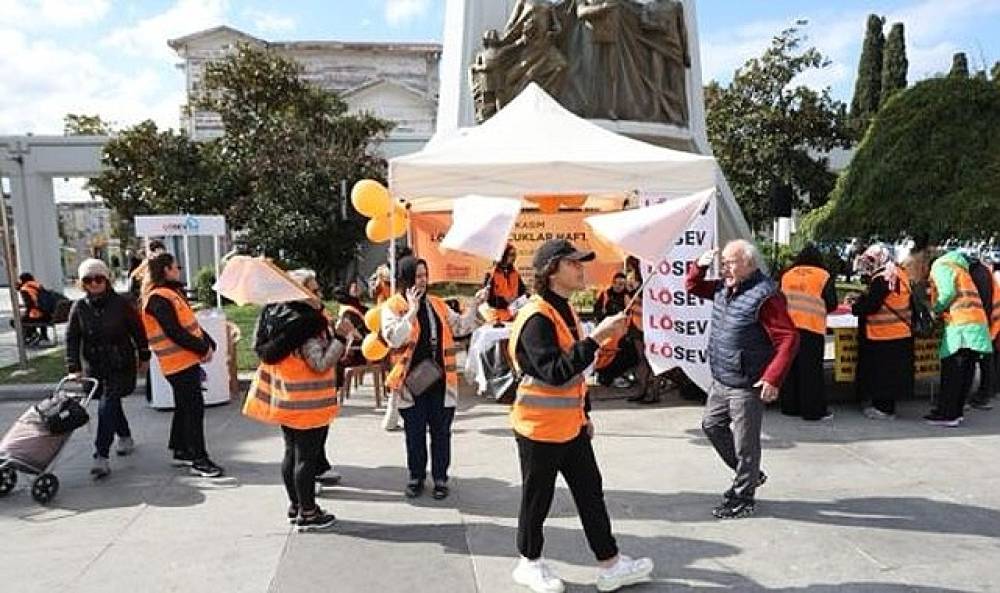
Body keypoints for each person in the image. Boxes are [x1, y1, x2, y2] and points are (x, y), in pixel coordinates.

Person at [509, 239, 653, 593]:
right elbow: (555, 371)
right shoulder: (536, 316)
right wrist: (599, 337)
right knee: (537, 497)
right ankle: (529, 563)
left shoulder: (565, 311)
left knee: (590, 491)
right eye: (574, 263)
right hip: (538, 427)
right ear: (552, 269)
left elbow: (576, 374)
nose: (582, 268)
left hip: (570, 425)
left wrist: (584, 414)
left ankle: (610, 562)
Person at [688, 240, 799, 519]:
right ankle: (750, 476)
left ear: (749, 264)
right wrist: (698, 268)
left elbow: (788, 337)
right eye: (722, 262)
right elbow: (693, 287)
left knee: (746, 444)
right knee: (712, 425)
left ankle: (742, 496)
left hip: (747, 381)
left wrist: (773, 377)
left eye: (730, 262)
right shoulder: (725, 287)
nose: (724, 267)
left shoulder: (765, 295)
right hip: (723, 377)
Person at [245, 275, 358, 531]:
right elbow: (320, 363)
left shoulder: (275, 315)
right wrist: (340, 338)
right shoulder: (306, 323)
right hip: (309, 401)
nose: (320, 293)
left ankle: (296, 505)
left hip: (287, 398)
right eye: (316, 289)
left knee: (291, 452)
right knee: (306, 457)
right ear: (302, 292)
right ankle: (308, 512)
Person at [381, 256, 486, 499]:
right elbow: (393, 338)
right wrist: (412, 312)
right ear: (406, 278)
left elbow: (460, 328)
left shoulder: (437, 304)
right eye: (417, 276)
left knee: (442, 433)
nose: (423, 280)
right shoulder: (393, 306)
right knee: (414, 433)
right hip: (411, 384)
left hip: (440, 381)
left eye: (425, 275)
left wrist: (474, 305)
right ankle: (416, 477)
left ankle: (440, 478)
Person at [141, 252, 224, 477]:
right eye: (176, 266)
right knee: (193, 409)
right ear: (166, 269)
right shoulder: (158, 298)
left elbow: (190, 325)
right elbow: (174, 332)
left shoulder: (170, 294)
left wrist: (208, 343)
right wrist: (202, 348)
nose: (179, 269)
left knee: (185, 407)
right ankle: (199, 458)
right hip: (177, 363)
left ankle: (180, 449)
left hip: (183, 361)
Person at [65, 259, 150, 479]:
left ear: (107, 280)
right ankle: (125, 435)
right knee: (110, 404)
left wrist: (144, 355)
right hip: (94, 367)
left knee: (107, 406)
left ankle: (100, 455)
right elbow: (72, 338)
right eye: (88, 280)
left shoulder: (121, 304)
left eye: (98, 279)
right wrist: (73, 366)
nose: (94, 284)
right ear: (82, 284)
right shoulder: (79, 307)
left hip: (120, 364)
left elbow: (138, 331)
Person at [925, 250, 992, 426]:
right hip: (976, 325)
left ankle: (947, 414)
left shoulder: (941, 266)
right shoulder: (961, 269)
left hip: (961, 326)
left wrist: (935, 310)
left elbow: (947, 293)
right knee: (966, 371)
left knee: (952, 371)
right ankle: (956, 411)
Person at [850, 245, 914, 420]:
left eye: (871, 260)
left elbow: (872, 305)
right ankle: (887, 406)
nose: (868, 265)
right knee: (891, 374)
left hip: (884, 333)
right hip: (900, 332)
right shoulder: (899, 274)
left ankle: (884, 409)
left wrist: (856, 307)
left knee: (883, 374)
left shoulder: (883, 277)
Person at [779, 244, 838, 421]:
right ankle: (813, 411)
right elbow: (832, 303)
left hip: (788, 327)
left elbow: (779, 298)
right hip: (811, 327)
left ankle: (790, 406)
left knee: (790, 369)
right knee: (811, 371)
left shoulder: (787, 275)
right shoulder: (823, 276)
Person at [967, 254, 997, 410]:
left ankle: (981, 396)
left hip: (980, 321)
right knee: (986, 360)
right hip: (989, 319)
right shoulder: (985, 272)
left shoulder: (973, 275)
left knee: (975, 359)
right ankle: (985, 395)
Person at [483, 243, 528, 324]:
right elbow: (488, 299)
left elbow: (522, 292)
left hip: (515, 317)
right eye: (511, 255)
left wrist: (522, 298)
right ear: (503, 255)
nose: (514, 258)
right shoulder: (491, 274)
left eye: (515, 255)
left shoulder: (516, 274)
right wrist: (505, 300)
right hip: (497, 319)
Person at [17, 272, 51, 345]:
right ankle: (44, 336)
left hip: (37, 316)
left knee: (16, 320)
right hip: (47, 315)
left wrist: (24, 314)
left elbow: (29, 305)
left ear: (22, 280)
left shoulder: (24, 289)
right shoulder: (38, 285)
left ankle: (32, 336)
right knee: (33, 315)